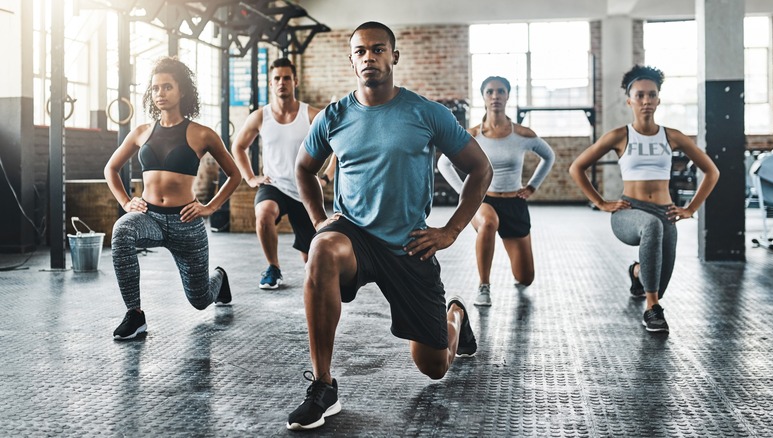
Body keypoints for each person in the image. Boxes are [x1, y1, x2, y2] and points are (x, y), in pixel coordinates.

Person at [288, 21, 493, 430]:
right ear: (351, 60)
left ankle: (454, 316)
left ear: (394, 56)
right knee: (322, 249)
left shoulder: (427, 113)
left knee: (434, 367)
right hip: (353, 235)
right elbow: (304, 170)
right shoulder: (334, 116)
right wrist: (318, 223)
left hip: (409, 244)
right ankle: (324, 386)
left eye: (378, 50)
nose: (369, 58)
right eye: (361, 51)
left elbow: (480, 168)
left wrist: (450, 230)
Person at [569, 65, 719, 333]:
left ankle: (638, 273)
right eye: (640, 96)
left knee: (659, 280)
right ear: (629, 100)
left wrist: (691, 208)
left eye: (652, 95)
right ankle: (652, 309)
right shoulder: (619, 135)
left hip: (666, 212)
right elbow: (576, 167)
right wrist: (602, 202)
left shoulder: (672, 136)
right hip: (629, 211)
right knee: (652, 226)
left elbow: (711, 171)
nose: (646, 101)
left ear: (659, 99)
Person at [104, 57, 241, 340]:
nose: (160, 93)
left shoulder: (202, 134)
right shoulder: (141, 132)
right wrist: (126, 202)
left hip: (185, 224)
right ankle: (135, 315)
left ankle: (220, 279)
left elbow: (234, 174)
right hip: (149, 218)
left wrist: (210, 207)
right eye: (155, 88)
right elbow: (111, 168)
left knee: (200, 299)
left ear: (182, 92)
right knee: (122, 230)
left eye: (167, 87)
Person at [438, 76, 555, 307]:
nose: (495, 96)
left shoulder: (522, 134)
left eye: (501, 91)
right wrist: (466, 194)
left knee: (525, 278)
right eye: (490, 92)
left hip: (514, 203)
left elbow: (548, 156)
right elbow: (443, 163)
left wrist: (532, 186)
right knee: (489, 222)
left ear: (507, 96)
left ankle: (518, 274)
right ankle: (484, 285)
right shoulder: (472, 135)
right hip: (484, 200)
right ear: (483, 97)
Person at [232, 58, 324, 289]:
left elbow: (337, 145)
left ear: (295, 81)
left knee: (312, 264)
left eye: (286, 78)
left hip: (305, 190)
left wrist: (327, 175)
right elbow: (238, 146)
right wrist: (250, 177)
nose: (281, 82)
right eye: (277, 79)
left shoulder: (311, 115)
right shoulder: (261, 116)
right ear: (271, 84)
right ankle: (273, 267)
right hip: (274, 185)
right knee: (264, 213)